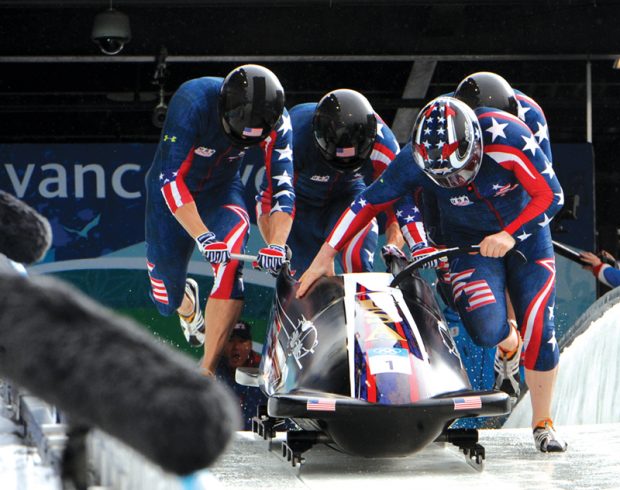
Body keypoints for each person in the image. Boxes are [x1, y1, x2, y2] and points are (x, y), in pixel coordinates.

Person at [297, 95, 567, 452]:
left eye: (457, 171)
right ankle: (508, 344)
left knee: (539, 323)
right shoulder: (412, 159)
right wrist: (324, 255)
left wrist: (509, 233)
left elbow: (551, 196)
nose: (452, 181)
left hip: (526, 239)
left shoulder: (510, 139)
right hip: (469, 245)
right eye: (441, 177)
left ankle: (542, 423)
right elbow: (367, 202)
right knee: (486, 329)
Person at [144, 64, 295, 376]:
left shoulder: (279, 121)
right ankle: (188, 307)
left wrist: (277, 244)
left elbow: (282, 187)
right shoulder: (193, 100)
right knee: (165, 302)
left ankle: (206, 372)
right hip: (170, 199)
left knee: (230, 264)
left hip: (220, 193)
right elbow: (169, 178)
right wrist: (203, 236)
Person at [256, 89, 402, 277]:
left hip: (347, 200)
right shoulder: (293, 134)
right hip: (297, 208)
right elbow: (270, 196)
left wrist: (393, 246)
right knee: (304, 283)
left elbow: (399, 202)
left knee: (358, 263)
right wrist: (276, 246)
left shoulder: (385, 143)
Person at [215, 320, 266, 430]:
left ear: (250, 345)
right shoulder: (213, 372)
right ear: (222, 345)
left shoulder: (265, 371)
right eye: (230, 340)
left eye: (242, 341)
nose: (236, 347)